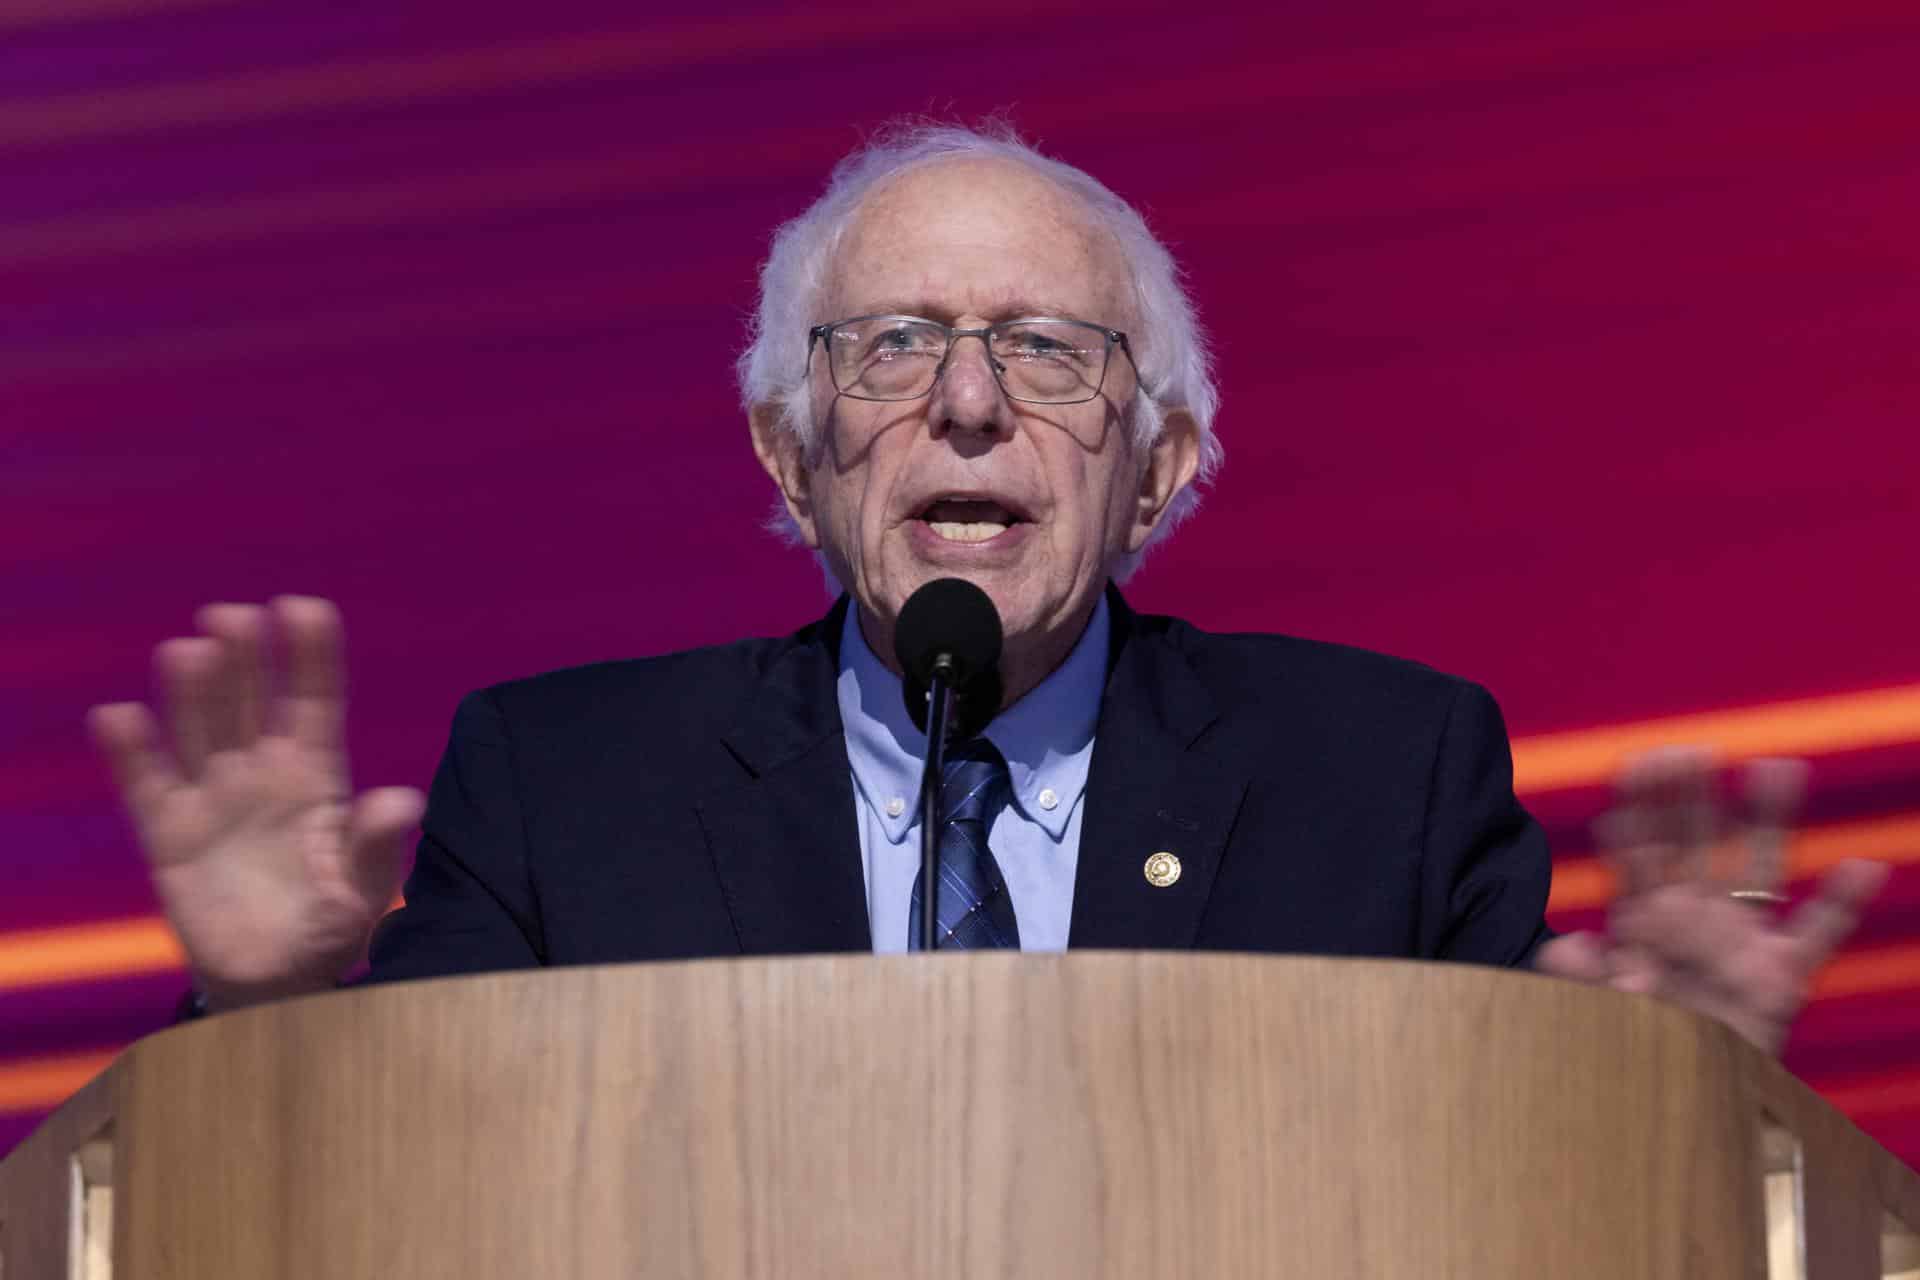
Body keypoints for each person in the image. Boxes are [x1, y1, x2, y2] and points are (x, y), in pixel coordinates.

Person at [86, 123, 1884, 1054]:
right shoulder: (564, 786)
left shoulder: (1384, 774)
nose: (963, 399)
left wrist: (1676, 1093)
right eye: (887, 349)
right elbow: (388, 1200)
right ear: (789, 459)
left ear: (1164, 467)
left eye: (1041, 346)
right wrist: (266, 1013)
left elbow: (1529, 1200)